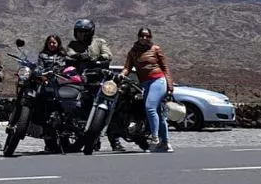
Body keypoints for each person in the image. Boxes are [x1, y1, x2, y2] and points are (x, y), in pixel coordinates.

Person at [65, 19, 119, 150]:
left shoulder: (99, 42)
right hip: (81, 81)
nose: (80, 35)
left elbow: (108, 54)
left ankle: (114, 140)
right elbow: (69, 54)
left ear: (90, 32)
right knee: (76, 107)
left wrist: (99, 59)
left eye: (83, 32)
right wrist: (78, 56)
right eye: (78, 32)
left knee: (109, 108)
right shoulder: (73, 44)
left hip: (98, 80)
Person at [121, 28, 174, 153]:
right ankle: (165, 143)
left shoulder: (155, 49)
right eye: (142, 36)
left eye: (147, 36)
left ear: (150, 37)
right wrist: (123, 74)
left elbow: (165, 68)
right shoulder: (133, 52)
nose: (145, 38)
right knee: (158, 114)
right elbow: (127, 67)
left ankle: (155, 138)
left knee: (150, 107)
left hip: (158, 80)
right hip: (145, 83)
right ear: (138, 37)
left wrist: (170, 86)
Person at [36, 34, 67, 153]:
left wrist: (60, 72)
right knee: (44, 110)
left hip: (60, 85)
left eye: (54, 42)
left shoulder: (63, 55)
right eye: (50, 43)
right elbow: (39, 67)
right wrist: (41, 74)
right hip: (46, 85)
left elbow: (66, 67)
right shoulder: (42, 55)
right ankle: (49, 142)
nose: (52, 45)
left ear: (58, 43)